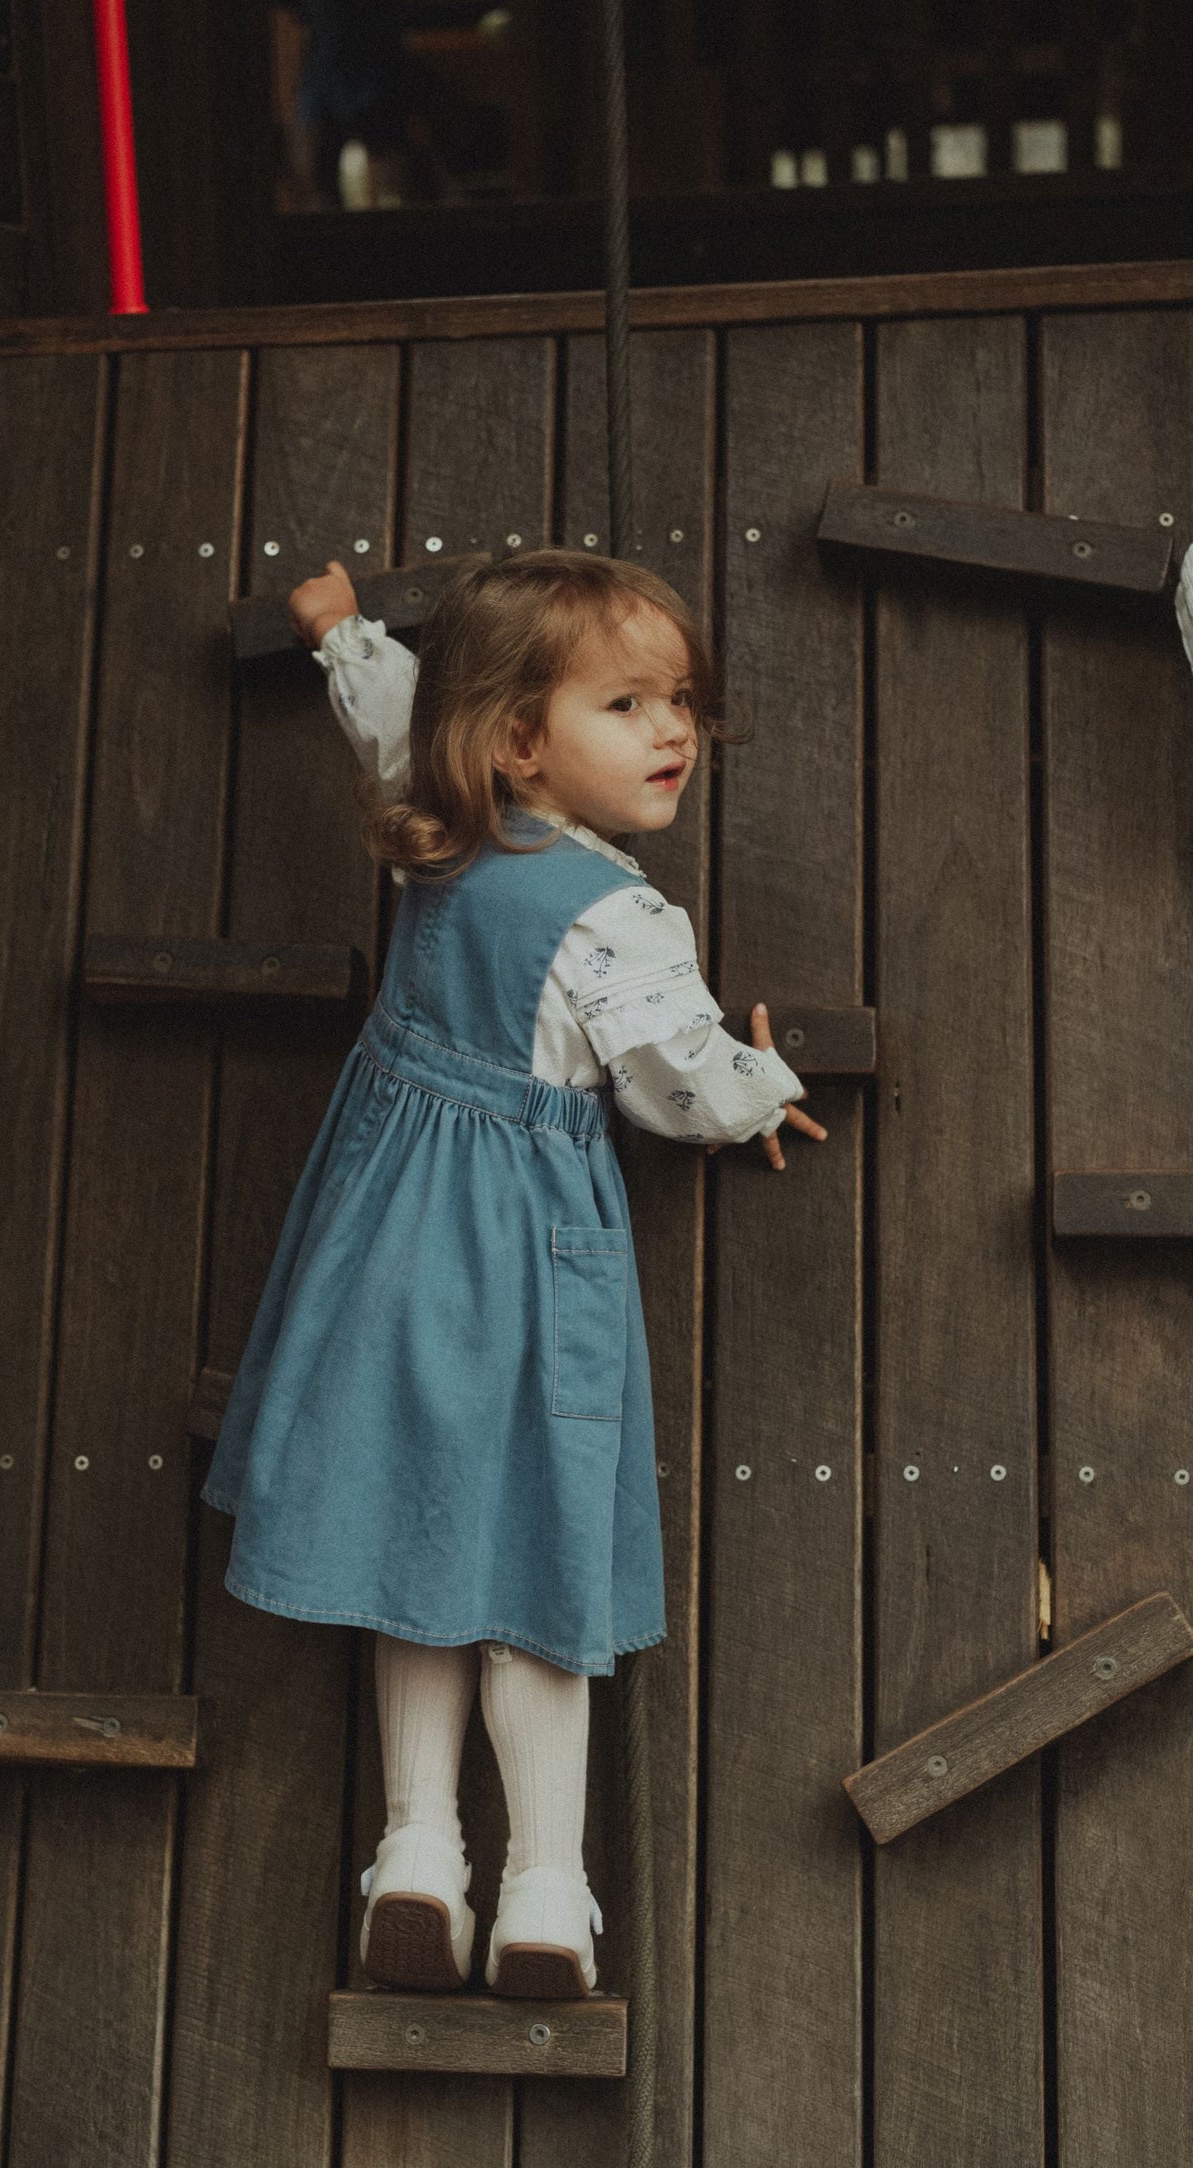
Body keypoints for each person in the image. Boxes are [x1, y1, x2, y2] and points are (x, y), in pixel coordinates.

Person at [199, 550, 827, 1999]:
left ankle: (415, 1855)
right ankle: (544, 1887)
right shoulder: (617, 920)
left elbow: (395, 713)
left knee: (405, 1547)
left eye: (680, 700)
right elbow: (675, 1087)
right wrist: (760, 1078)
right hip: (525, 1263)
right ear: (520, 741)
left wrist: (339, 633)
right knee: (534, 1561)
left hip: (378, 1242)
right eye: (627, 703)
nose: (673, 729)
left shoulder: (437, 829)